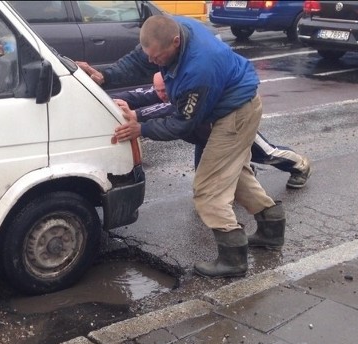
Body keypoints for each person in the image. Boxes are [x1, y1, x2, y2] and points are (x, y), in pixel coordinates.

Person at [78, 15, 287, 279]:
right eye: (150, 56)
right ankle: (271, 228)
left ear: (176, 42)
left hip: (236, 112)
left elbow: (182, 124)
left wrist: (141, 128)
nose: (154, 63)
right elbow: (139, 59)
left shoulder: (199, 69)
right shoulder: (166, 32)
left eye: (159, 58)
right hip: (228, 103)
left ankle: (233, 258)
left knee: (209, 188)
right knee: (235, 173)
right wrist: (105, 75)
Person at [111, 72, 312, 189]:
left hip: (233, 128)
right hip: (204, 138)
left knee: (268, 154)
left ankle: (300, 165)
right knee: (203, 184)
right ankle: (245, 170)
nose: (161, 94)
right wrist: (104, 98)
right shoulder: (161, 88)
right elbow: (136, 96)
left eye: (165, 90)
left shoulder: (187, 93)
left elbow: (169, 109)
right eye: (158, 90)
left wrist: (137, 116)